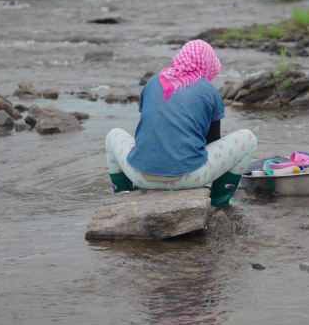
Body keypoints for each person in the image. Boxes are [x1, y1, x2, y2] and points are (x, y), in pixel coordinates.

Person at [104, 39, 257, 207]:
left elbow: (148, 126)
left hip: (139, 175)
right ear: (208, 63)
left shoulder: (153, 81)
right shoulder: (209, 90)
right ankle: (219, 202)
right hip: (188, 178)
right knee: (248, 139)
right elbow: (213, 142)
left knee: (113, 135)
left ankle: (122, 195)